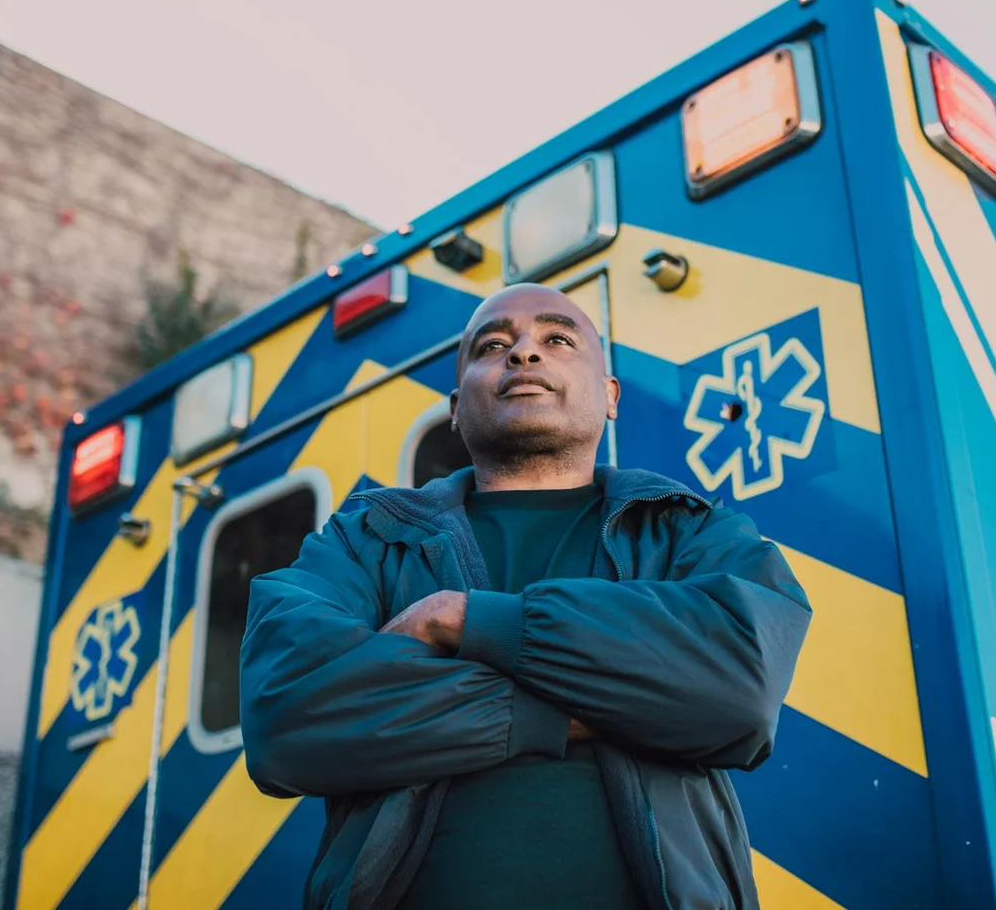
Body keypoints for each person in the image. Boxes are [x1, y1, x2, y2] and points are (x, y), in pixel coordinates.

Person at [240, 283, 812, 909]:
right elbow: (285, 717)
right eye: (492, 346)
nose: (522, 353)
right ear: (456, 407)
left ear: (610, 396)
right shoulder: (365, 541)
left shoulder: (688, 529)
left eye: (557, 338)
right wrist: (595, 703)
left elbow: (739, 687)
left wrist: (463, 620)